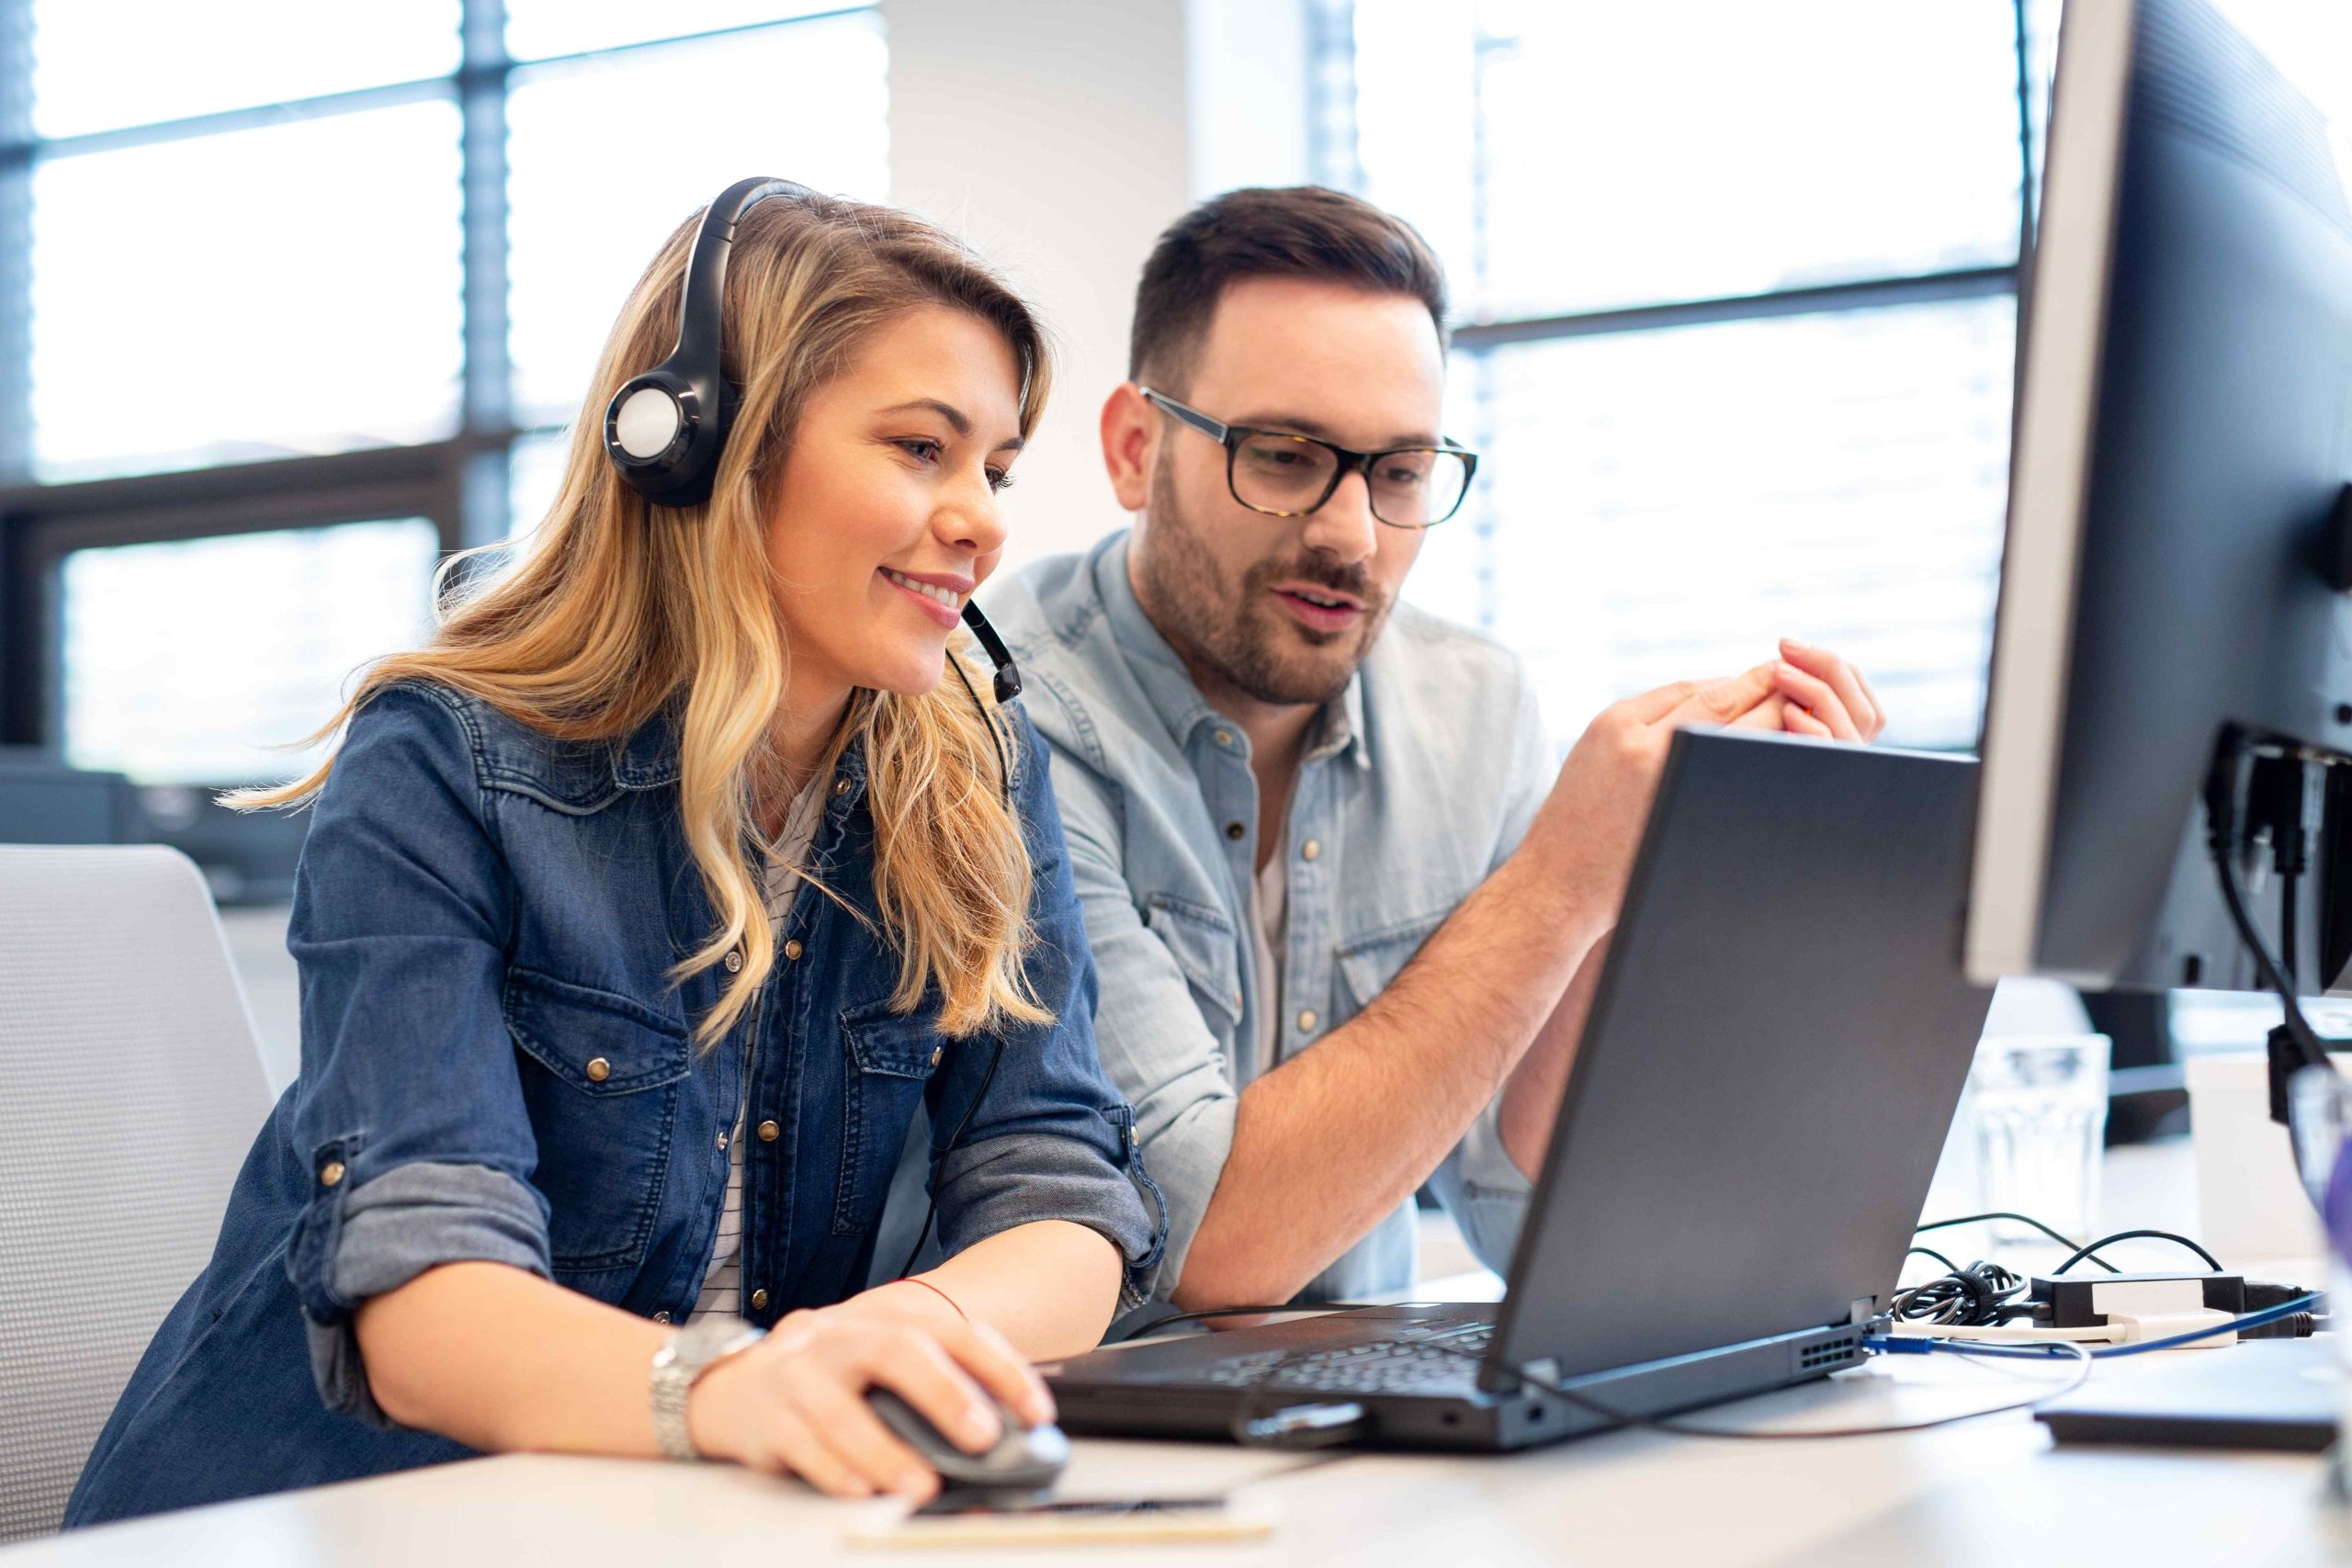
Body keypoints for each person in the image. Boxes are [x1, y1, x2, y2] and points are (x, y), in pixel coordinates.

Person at [67, 186, 1163, 1526]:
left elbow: (1054, 1177)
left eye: (993, 468)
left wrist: (891, 1345)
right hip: (322, 1516)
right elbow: (422, 1294)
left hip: (696, 1509)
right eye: (922, 448)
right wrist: (731, 1388)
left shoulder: (975, 773)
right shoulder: (441, 758)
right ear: (703, 448)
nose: (983, 519)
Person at [875, 186, 1883, 1314]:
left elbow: (1523, 1213)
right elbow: (1208, 1246)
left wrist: (1640, 889)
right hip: (1086, 1433)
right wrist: (1554, 887)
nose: (1349, 536)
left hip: (1364, 1420)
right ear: (1134, 448)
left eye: (1400, 472)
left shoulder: (1474, 708)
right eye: (1286, 456)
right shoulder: (998, 729)